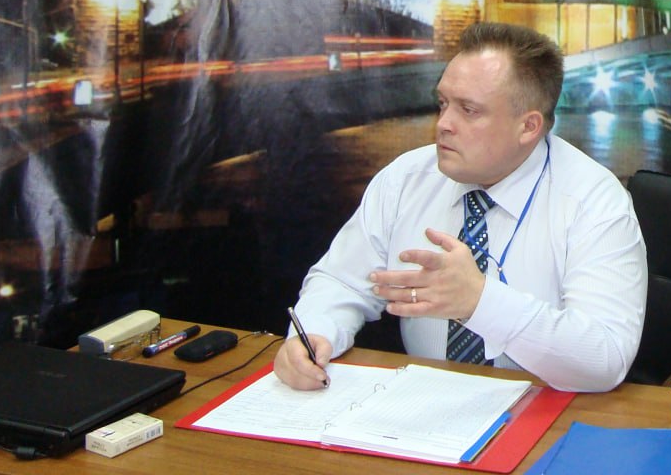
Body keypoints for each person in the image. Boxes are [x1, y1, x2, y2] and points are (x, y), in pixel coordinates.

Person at [273, 21, 648, 393]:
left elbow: (605, 359)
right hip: (425, 400)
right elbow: (341, 281)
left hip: (550, 407)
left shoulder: (593, 201)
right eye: (443, 103)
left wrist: (480, 301)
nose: (443, 124)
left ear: (528, 127)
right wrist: (314, 333)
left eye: (468, 110)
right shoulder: (406, 179)